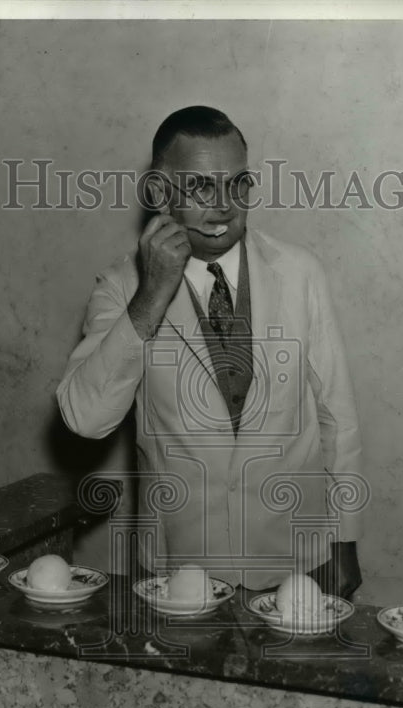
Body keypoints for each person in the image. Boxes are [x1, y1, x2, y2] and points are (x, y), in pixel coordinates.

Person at [57, 106, 364, 598]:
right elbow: (84, 418)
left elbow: (337, 415)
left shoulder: (301, 272)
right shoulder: (121, 288)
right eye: (200, 186)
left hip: (295, 563)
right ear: (159, 192)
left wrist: (343, 542)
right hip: (178, 572)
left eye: (238, 184)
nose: (223, 206)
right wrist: (151, 297)